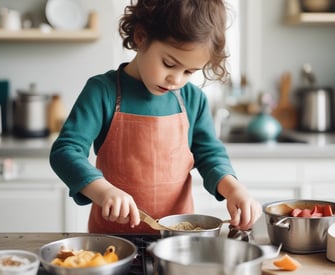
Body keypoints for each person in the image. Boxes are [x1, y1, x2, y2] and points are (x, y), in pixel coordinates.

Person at [50, 0, 262, 234]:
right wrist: (103, 191)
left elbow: (210, 154)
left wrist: (234, 189)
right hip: (113, 239)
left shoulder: (193, 99)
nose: (177, 80)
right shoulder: (103, 91)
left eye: (189, 72)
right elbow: (66, 151)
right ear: (141, 36)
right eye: (169, 64)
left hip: (177, 239)